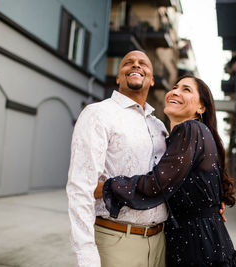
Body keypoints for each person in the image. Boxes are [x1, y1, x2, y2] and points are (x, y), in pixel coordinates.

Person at [96, 75, 236, 267]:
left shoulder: (190, 129)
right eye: (175, 87)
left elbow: (156, 185)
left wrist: (107, 187)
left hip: (197, 247)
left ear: (201, 108)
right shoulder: (191, 135)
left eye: (186, 89)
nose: (175, 92)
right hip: (202, 240)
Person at [66, 50, 169, 267]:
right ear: (118, 76)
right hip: (116, 240)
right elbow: (80, 188)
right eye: (128, 63)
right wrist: (86, 254)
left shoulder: (158, 126)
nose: (136, 65)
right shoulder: (98, 113)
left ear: (151, 80)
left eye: (143, 63)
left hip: (160, 243)